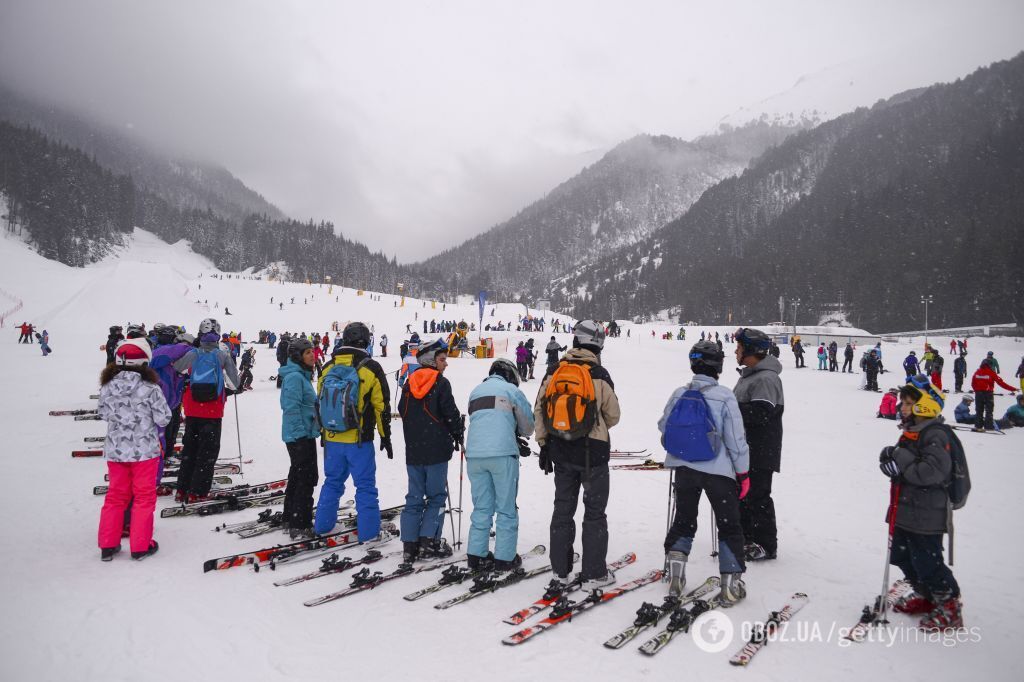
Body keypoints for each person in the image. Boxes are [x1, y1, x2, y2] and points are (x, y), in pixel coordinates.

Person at [659, 341, 749, 606]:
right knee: (729, 524)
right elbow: (736, 439)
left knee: (684, 519)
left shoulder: (679, 392)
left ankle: (676, 575)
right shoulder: (724, 396)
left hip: (685, 468)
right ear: (718, 366)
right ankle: (730, 585)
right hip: (718, 471)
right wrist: (743, 474)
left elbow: (664, 425)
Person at [534, 320, 621, 590]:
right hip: (593, 453)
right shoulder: (599, 374)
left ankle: (560, 571)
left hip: (561, 450)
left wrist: (544, 443)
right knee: (594, 513)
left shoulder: (554, 371)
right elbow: (614, 416)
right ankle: (594, 573)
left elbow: (539, 409)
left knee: (563, 510)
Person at [878, 376, 963, 630]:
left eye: (908, 403)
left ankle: (949, 604)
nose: (902, 407)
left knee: (926, 559)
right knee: (902, 555)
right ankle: (926, 595)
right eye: (902, 402)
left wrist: (899, 457)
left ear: (925, 405)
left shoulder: (935, 434)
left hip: (927, 514)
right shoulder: (912, 431)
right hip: (906, 508)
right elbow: (905, 468)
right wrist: (889, 461)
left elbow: (930, 473)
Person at [315, 322, 392, 540]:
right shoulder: (371, 368)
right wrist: (385, 436)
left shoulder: (328, 367)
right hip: (359, 440)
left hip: (332, 437)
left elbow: (321, 401)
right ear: (366, 342)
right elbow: (381, 407)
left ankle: (323, 526)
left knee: (332, 482)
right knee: (365, 487)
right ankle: (368, 533)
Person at [96, 339, 170, 561]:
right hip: (145, 452)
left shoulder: (108, 386)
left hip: (117, 451)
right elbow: (164, 418)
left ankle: (108, 544)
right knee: (143, 497)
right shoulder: (150, 388)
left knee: (116, 496)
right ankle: (140, 545)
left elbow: (103, 413)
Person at [464, 358, 535, 572]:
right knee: (506, 508)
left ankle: (476, 555)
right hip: (502, 454)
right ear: (511, 375)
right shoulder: (511, 390)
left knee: (482, 506)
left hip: (475, 455)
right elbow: (528, 426)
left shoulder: (476, 391)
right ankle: (505, 558)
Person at [397, 338, 464, 562]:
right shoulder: (440, 383)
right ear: (431, 360)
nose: (446, 364)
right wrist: (457, 431)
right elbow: (450, 413)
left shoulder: (409, 383)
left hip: (414, 450)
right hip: (436, 451)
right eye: (442, 360)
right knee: (436, 496)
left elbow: (402, 411)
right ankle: (428, 541)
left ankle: (410, 543)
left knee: (414, 496)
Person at [171, 318, 240, 501]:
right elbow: (234, 384)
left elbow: (178, 369)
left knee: (190, 450)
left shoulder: (193, 353)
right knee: (207, 452)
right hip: (212, 412)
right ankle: (198, 492)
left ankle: (182, 490)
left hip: (192, 409)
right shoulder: (222, 355)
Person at [732, 328, 784, 562]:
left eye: (739, 348)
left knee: (758, 496)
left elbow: (762, 413)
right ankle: (746, 537)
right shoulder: (751, 376)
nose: (735, 351)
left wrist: (729, 409)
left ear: (750, 351)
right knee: (742, 494)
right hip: (745, 448)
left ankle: (765, 544)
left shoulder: (766, 378)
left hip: (761, 450)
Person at [279, 337, 320, 538]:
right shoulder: (295, 377)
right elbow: (291, 408)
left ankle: (290, 517)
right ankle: (300, 522)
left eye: (312, 351)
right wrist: (300, 434)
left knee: (297, 476)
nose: (313, 355)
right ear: (297, 356)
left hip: (302, 434)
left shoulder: (300, 375)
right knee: (306, 478)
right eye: (307, 353)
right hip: (300, 436)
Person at [970, 358, 1017, 432]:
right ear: (990, 365)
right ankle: (988, 426)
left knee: (979, 410)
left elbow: (973, 383)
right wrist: (1013, 389)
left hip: (978, 394)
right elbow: (1001, 383)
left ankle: (978, 425)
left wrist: (977, 390)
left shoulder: (977, 372)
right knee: (989, 410)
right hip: (988, 394)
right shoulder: (991, 372)